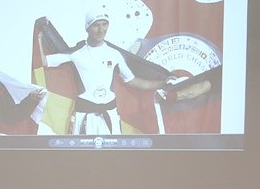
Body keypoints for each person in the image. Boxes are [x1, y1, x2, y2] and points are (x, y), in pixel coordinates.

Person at [39, 7, 168, 135]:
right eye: (96, 25)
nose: (101, 30)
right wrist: (38, 37)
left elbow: (133, 81)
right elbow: (43, 61)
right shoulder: (75, 53)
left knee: (113, 149)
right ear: (88, 28)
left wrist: (163, 83)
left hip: (110, 115)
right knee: (82, 150)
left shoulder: (114, 54)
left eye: (104, 24)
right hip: (84, 116)